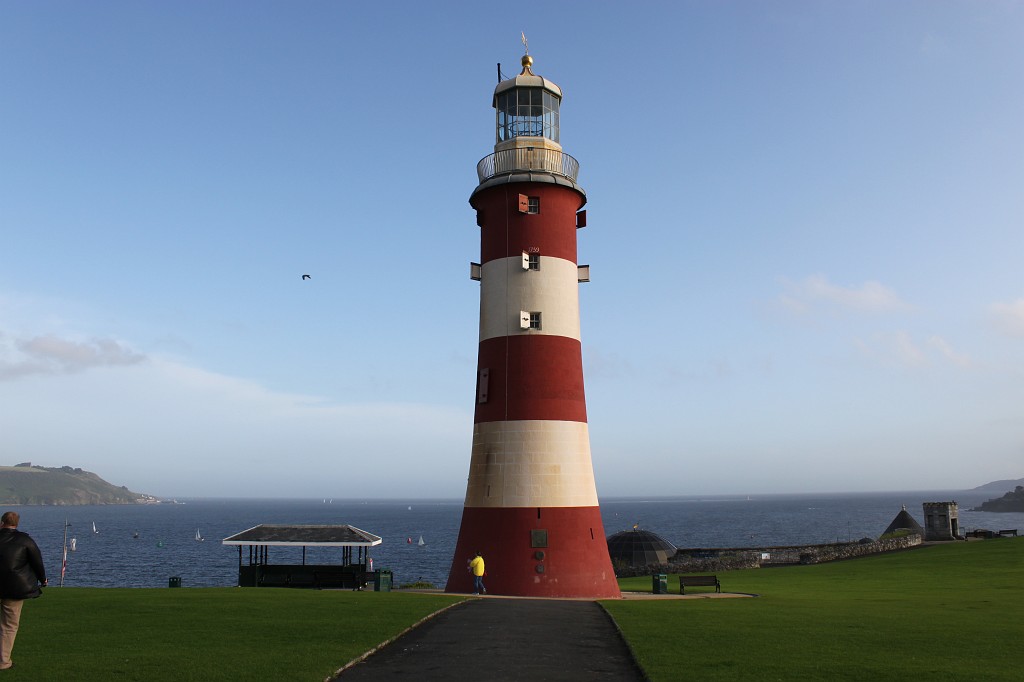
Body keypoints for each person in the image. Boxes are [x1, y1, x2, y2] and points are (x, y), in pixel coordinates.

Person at [0, 511, 46, 671]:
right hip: (15, 588)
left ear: (1, 522)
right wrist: (43, 579)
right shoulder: (25, 540)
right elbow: (37, 561)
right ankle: (3, 661)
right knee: (9, 625)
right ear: (16, 524)